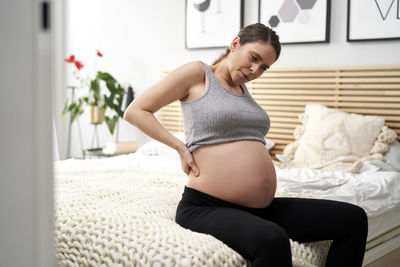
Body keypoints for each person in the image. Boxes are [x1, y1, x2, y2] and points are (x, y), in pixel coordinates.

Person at [124, 23, 368, 267]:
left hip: (261, 208)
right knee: (273, 240)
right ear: (235, 44)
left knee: (353, 219)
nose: (255, 70)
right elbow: (136, 111)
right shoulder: (198, 73)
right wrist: (180, 147)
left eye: (264, 67)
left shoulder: (243, 92)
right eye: (254, 58)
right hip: (207, 206)